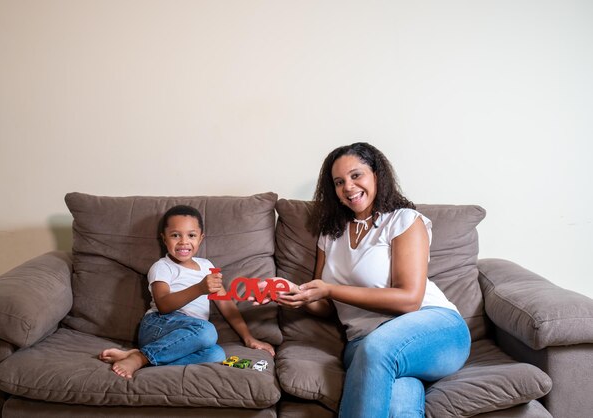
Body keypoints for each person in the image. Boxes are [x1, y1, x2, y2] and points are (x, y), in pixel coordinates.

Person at [275, 142, 471, 417]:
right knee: (399, 405)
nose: (349, 187)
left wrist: (330, 288)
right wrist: (300, 296)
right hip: (364, 343)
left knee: (378, 349)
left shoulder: (404, 221)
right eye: (339, 182)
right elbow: (327, 305)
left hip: (434, 328)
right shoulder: (331, 235)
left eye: (356, 175)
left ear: (377, 175)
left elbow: (409, 299)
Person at [99, 205, 274, 378]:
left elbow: (225, 304)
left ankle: (141, 355)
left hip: (187, 338)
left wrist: (248, 338)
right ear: (164, 238)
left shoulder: (207, 266)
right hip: (159, 326)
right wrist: (200, 288)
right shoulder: (162, 267)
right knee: (207, 331)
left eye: (191, 235)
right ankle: (139, 358)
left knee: (216, 355)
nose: (184, 241)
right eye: (175, 235)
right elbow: (163, 305)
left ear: (201, 238)